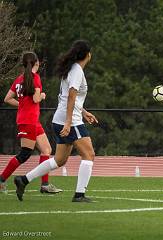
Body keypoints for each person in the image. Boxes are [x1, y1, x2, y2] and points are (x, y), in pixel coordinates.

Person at [14, 40, 98, 203]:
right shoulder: (77, 70)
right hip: (70, 121)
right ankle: (79, 195)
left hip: (62, 119)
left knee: (59, 160)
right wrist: (68, 123)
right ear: (88, 55)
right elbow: (71, 96)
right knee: (89, 155)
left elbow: (69, 97)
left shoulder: (71, 69)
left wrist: (84, 112)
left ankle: (23, 180)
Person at [0, 52, 62, 194]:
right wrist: (42, 95)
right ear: (37, 63)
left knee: (46, 150)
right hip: (28, 121)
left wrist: (22, 104)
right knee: (24, 154)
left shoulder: (19, 79)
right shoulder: (35, 78)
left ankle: (45, 185)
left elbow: (7, 98)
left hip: (31, 120)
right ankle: (1, 179)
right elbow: (36, 99)